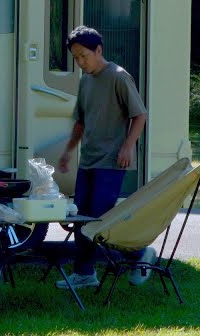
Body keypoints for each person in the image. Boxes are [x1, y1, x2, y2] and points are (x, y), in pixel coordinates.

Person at [53, 26, 153, 290]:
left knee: (99, 220)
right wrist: (68, 152)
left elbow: (140, 115)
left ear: (99, 50)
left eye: (84, 55)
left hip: (111, 162)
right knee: (82, 219)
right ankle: (85, 273)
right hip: (88, 161)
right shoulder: (85, 80)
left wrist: (127, 147)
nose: (80, 62)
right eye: (76, 58)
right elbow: (81, 121)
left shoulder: (119, 77)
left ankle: (139, 254)